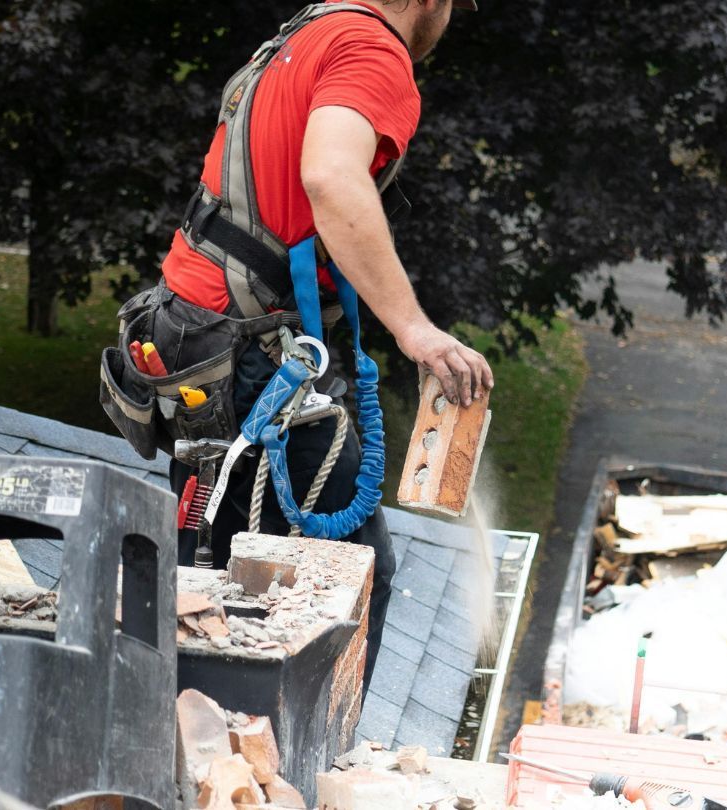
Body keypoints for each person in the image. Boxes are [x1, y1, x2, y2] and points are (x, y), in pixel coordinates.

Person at [150, 0, 492, 695]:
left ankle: (187, 738)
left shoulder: (303, 33)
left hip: (192, 332)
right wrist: (413, 327)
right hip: (250, 352)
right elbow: (332, 177)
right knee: (344, 577)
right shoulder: (373, 51)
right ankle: (294, 781)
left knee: (206, 561)